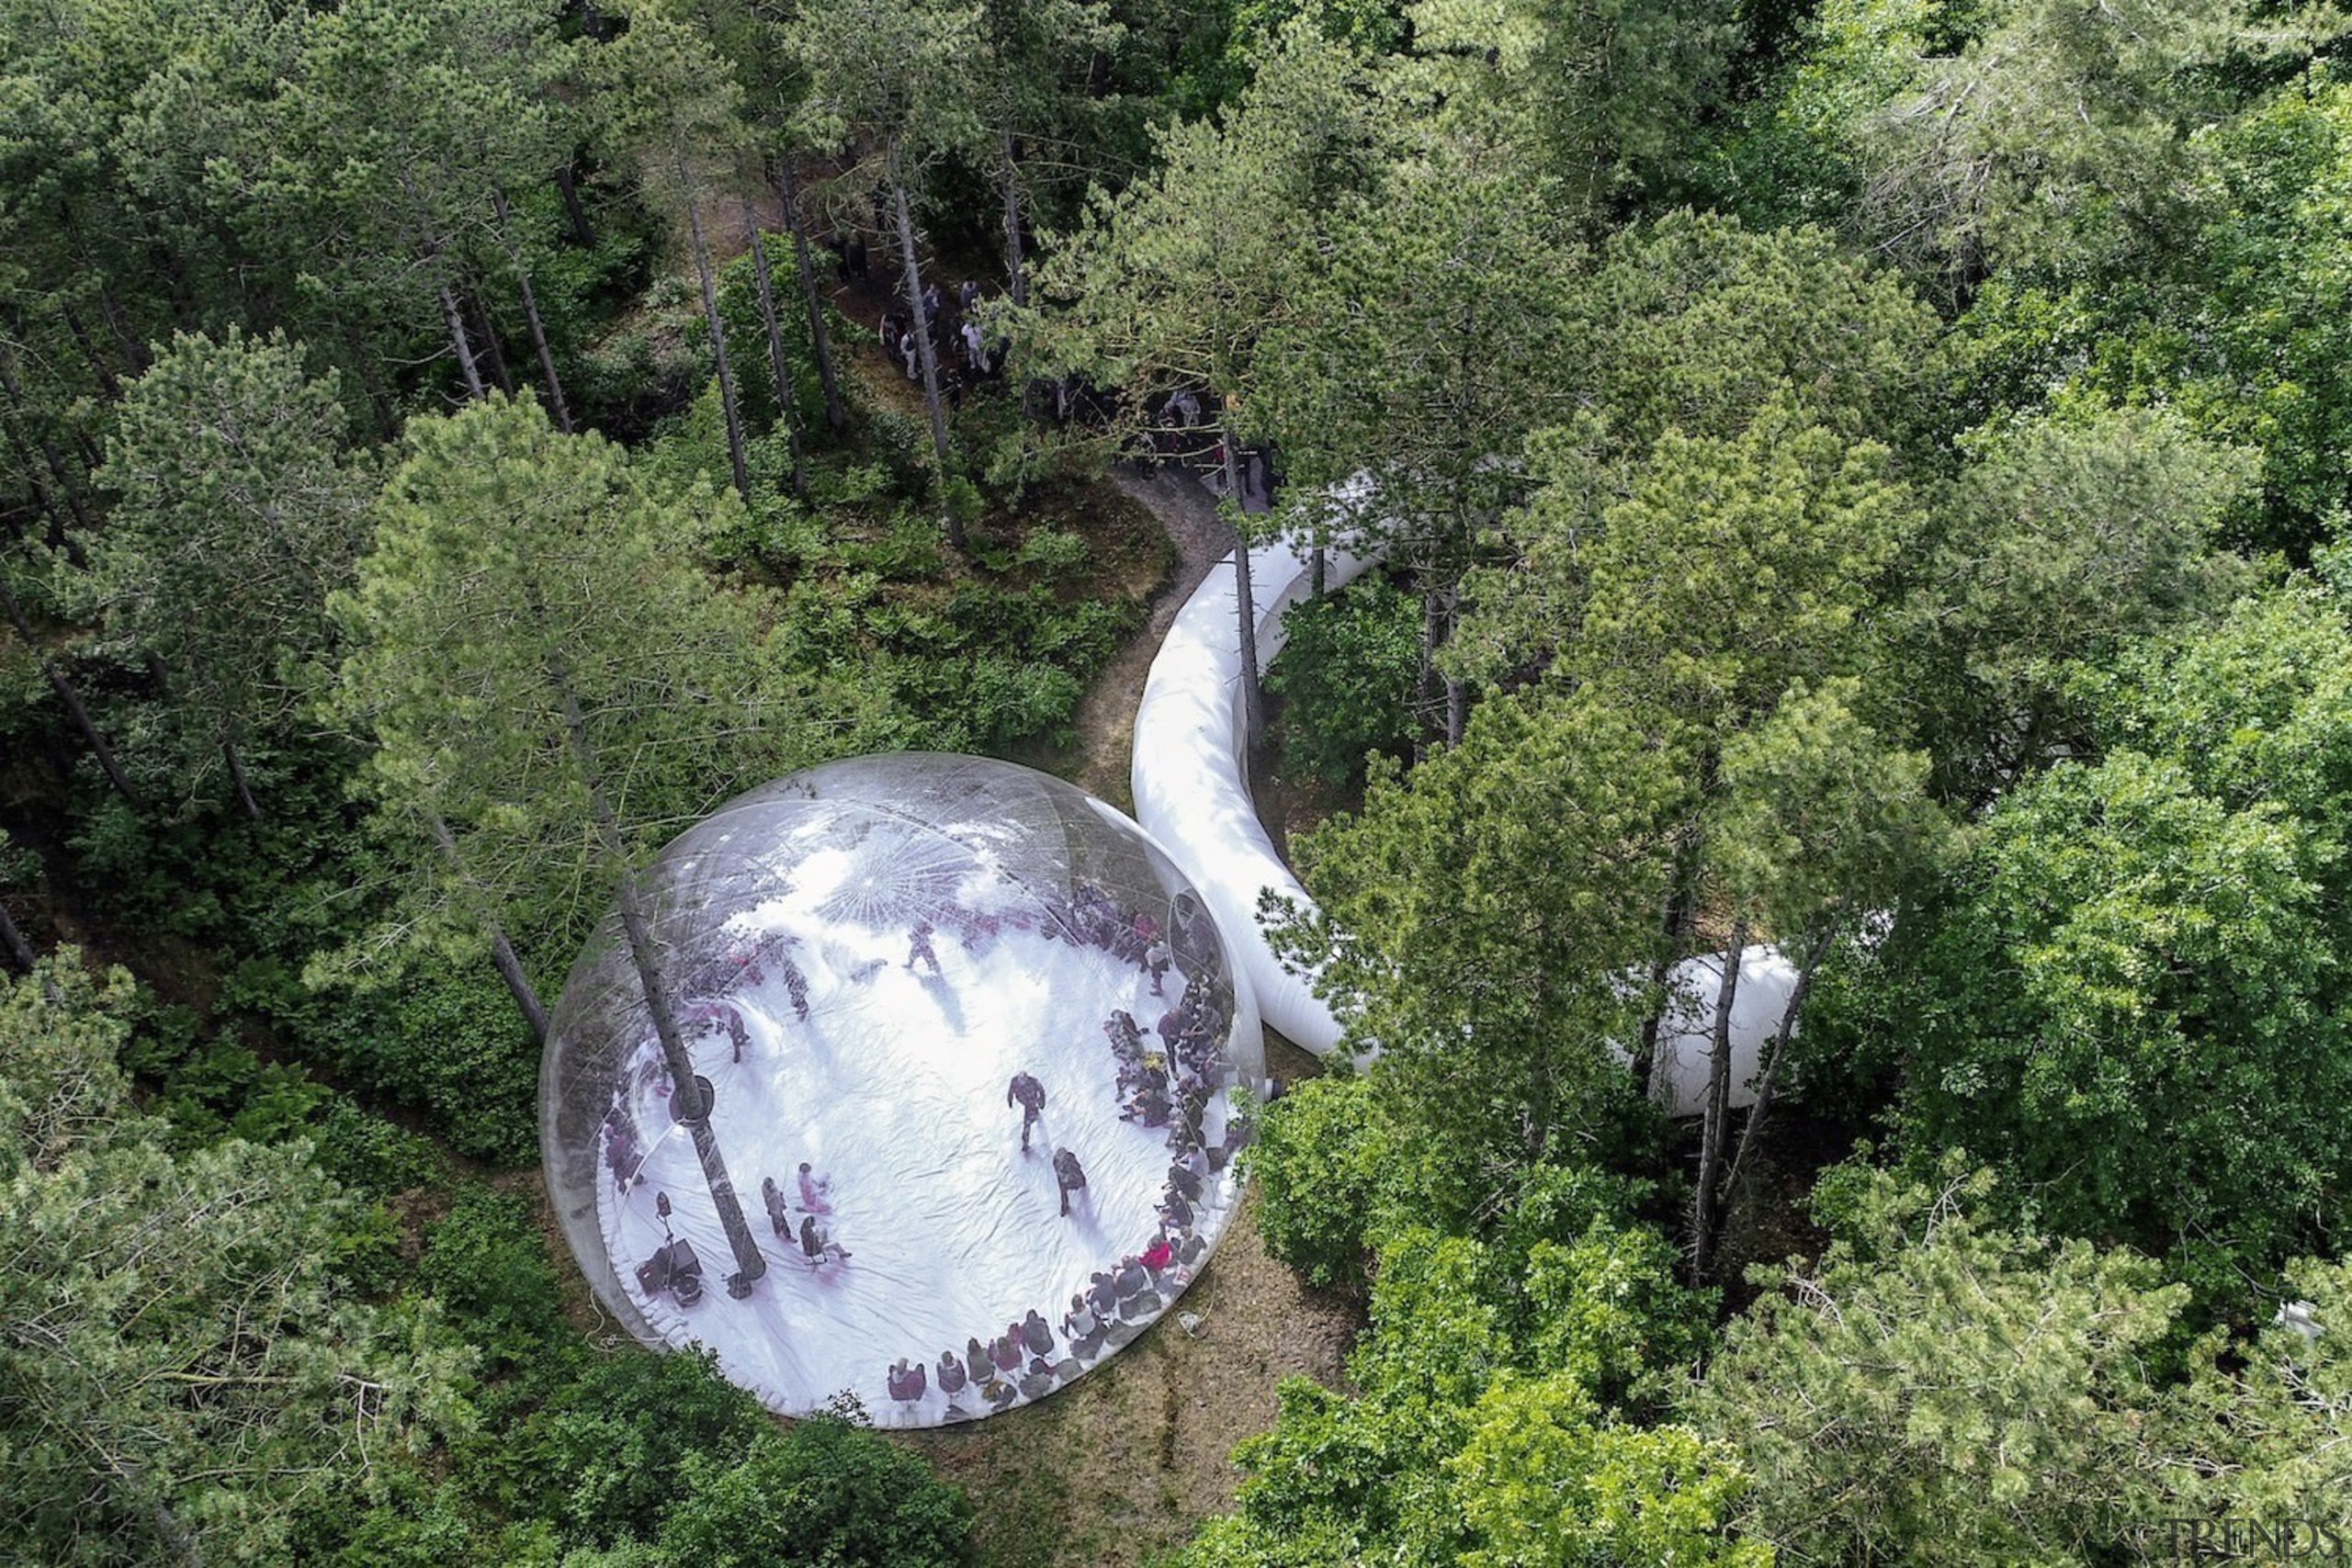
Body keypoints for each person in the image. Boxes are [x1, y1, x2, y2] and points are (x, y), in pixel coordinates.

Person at [1007, 1071, 1046, 1152]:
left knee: (1027, 1123)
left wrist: (1042, 1101)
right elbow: (1010, 1091)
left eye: (1023, 1082)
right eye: (1020, 1081)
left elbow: (1041, 1091)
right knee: (1029, 1119)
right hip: (1024, 1100)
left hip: (1032, 1101)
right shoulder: (1014, 1082)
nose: (1022, 1083)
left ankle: (1025, 1143)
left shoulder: (1033, 1081)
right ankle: (1025, 1142)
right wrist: (1010, 1100)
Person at [1053, 1146, 1087, 1217]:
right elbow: (1056, 1170)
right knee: (1063, 1190)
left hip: (1073, 1179)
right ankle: (1065, 1206)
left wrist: (1070, 1176)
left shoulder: (1071, 1160)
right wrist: (1062, 1176)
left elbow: (1078, 1169)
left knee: (1079, 1182)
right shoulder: (1055, 1161)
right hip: (1063, 1178)